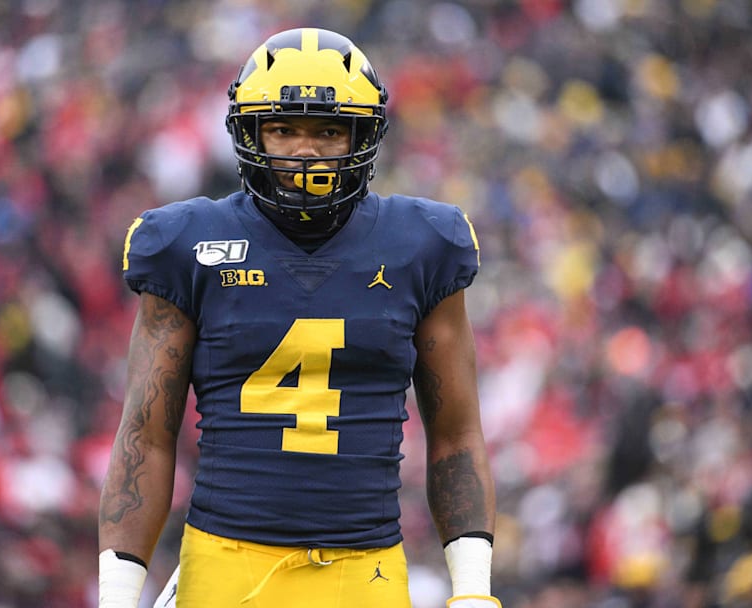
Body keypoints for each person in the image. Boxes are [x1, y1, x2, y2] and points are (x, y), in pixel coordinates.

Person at [99, 27, 501, 608]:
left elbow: (456, 434)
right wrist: (116, 596)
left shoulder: (421, 245)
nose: (305, 149)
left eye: (328, 130)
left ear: (363, 137)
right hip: (225, 564)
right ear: (249, 132)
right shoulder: (190, 243)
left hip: (366, 572)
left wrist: (471, 589)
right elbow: (146, 435)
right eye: (283, 129)